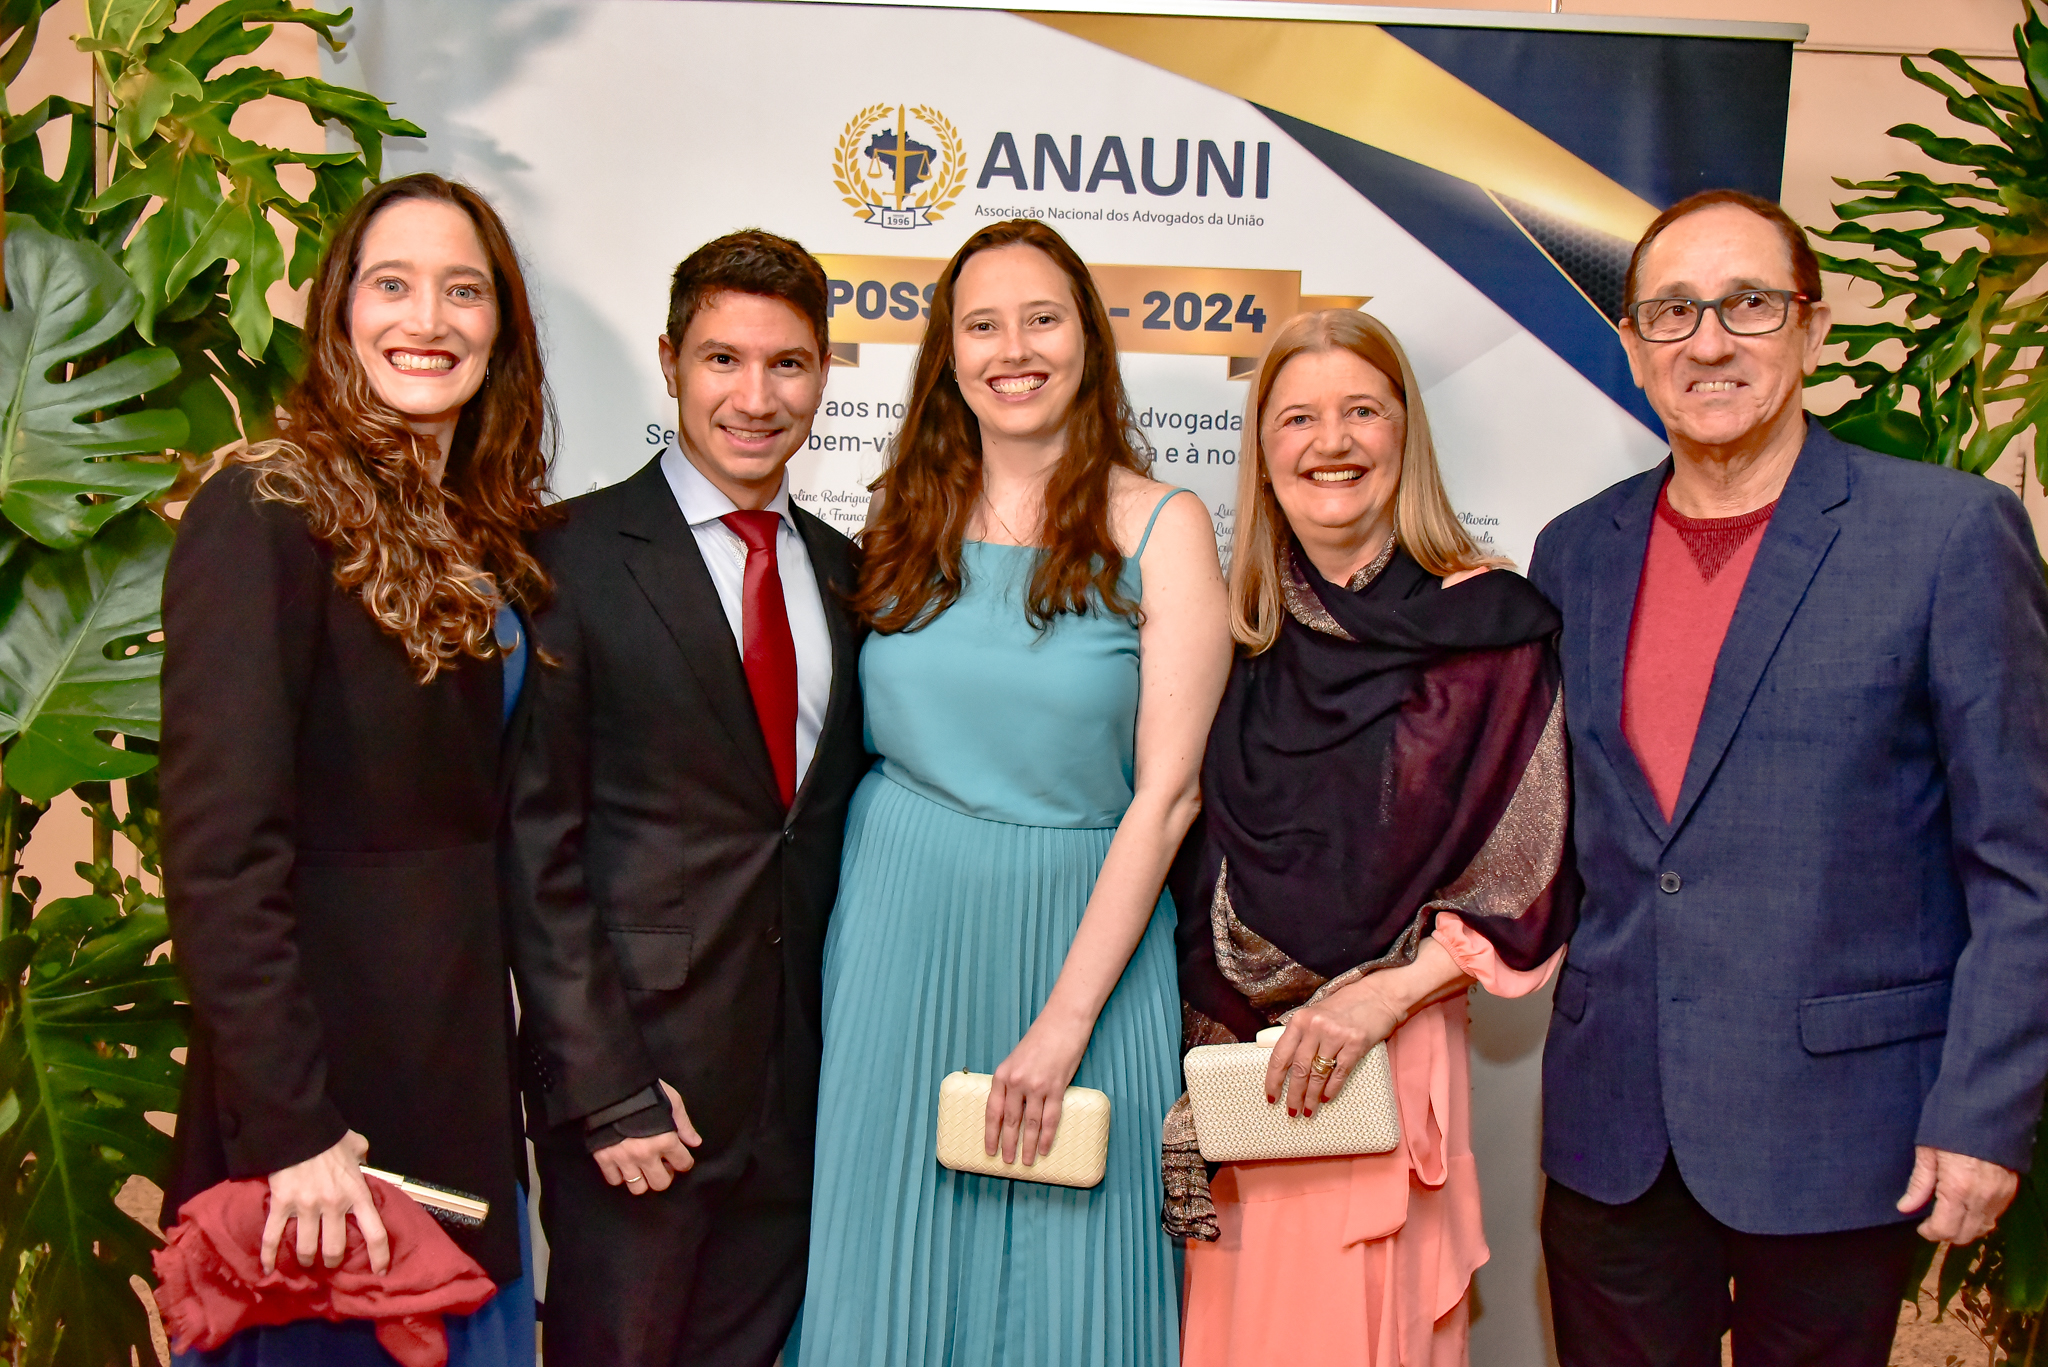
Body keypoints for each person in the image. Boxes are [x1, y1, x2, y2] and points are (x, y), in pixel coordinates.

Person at [1529, 188, 2048, 1367]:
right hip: (1613, 1134)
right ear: (1633, 347)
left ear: (1810, 327)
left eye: (1747, 304)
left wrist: (1981, 1114)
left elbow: (2021, 861)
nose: (1707, 341)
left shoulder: (1945, 535)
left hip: (1838, 1134)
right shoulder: (1573, 552)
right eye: (1671, 312)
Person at [789, 218, 1231, 1367]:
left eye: (1041, 318)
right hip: (896, 936)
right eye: (981, 325)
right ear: (948, 355)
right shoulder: (902, 522)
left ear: (1086, 337)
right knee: (886, 1267)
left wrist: (1064, 1019)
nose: (1013, 348)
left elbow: (1167, 797)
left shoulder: (1164, 526)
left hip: (1084, 942)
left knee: (1071, 1283)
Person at [159, 172, 553, 1364]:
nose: (426, 319)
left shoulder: (483, 533)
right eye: (392, 284)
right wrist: (291, 1125)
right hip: (327, 1128)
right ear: (338, 311)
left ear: (500, 327)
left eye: (462, 291)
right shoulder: (263, 508)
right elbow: (221, 852)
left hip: (459, 1090)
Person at [1162, 308, 1577, 1366]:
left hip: (1380, 1060)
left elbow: (1524, 877)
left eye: (1361, 411)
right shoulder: (1235, 637)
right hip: (1234, 1078)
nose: (1331, 441)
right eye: (1297, 418)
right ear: (1263, 453)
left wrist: (1376, 998)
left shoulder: (1482, 624)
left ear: (1405, 434)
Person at [503, 230, 868, 1366]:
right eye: (722, 360)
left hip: (801, 1097)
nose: (755, 398)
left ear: (823, 372)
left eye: (787, 363)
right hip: (640, 1100)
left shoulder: (851, 573)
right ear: (670, 363)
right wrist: (604, 1087)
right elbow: (534, 845)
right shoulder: (564, 558)